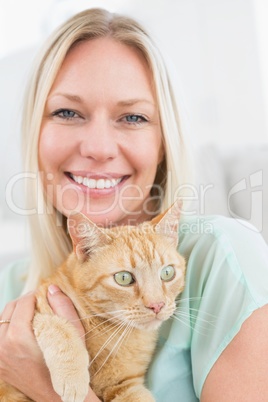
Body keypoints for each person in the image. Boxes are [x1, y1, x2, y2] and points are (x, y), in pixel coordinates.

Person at [0, 8, 268, 401]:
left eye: (132, 117)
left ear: (164, 143)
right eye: (68, 112)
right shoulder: (11, 286)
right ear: (35, 135)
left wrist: (47, 388)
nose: (98, 148)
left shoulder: (224, 259)